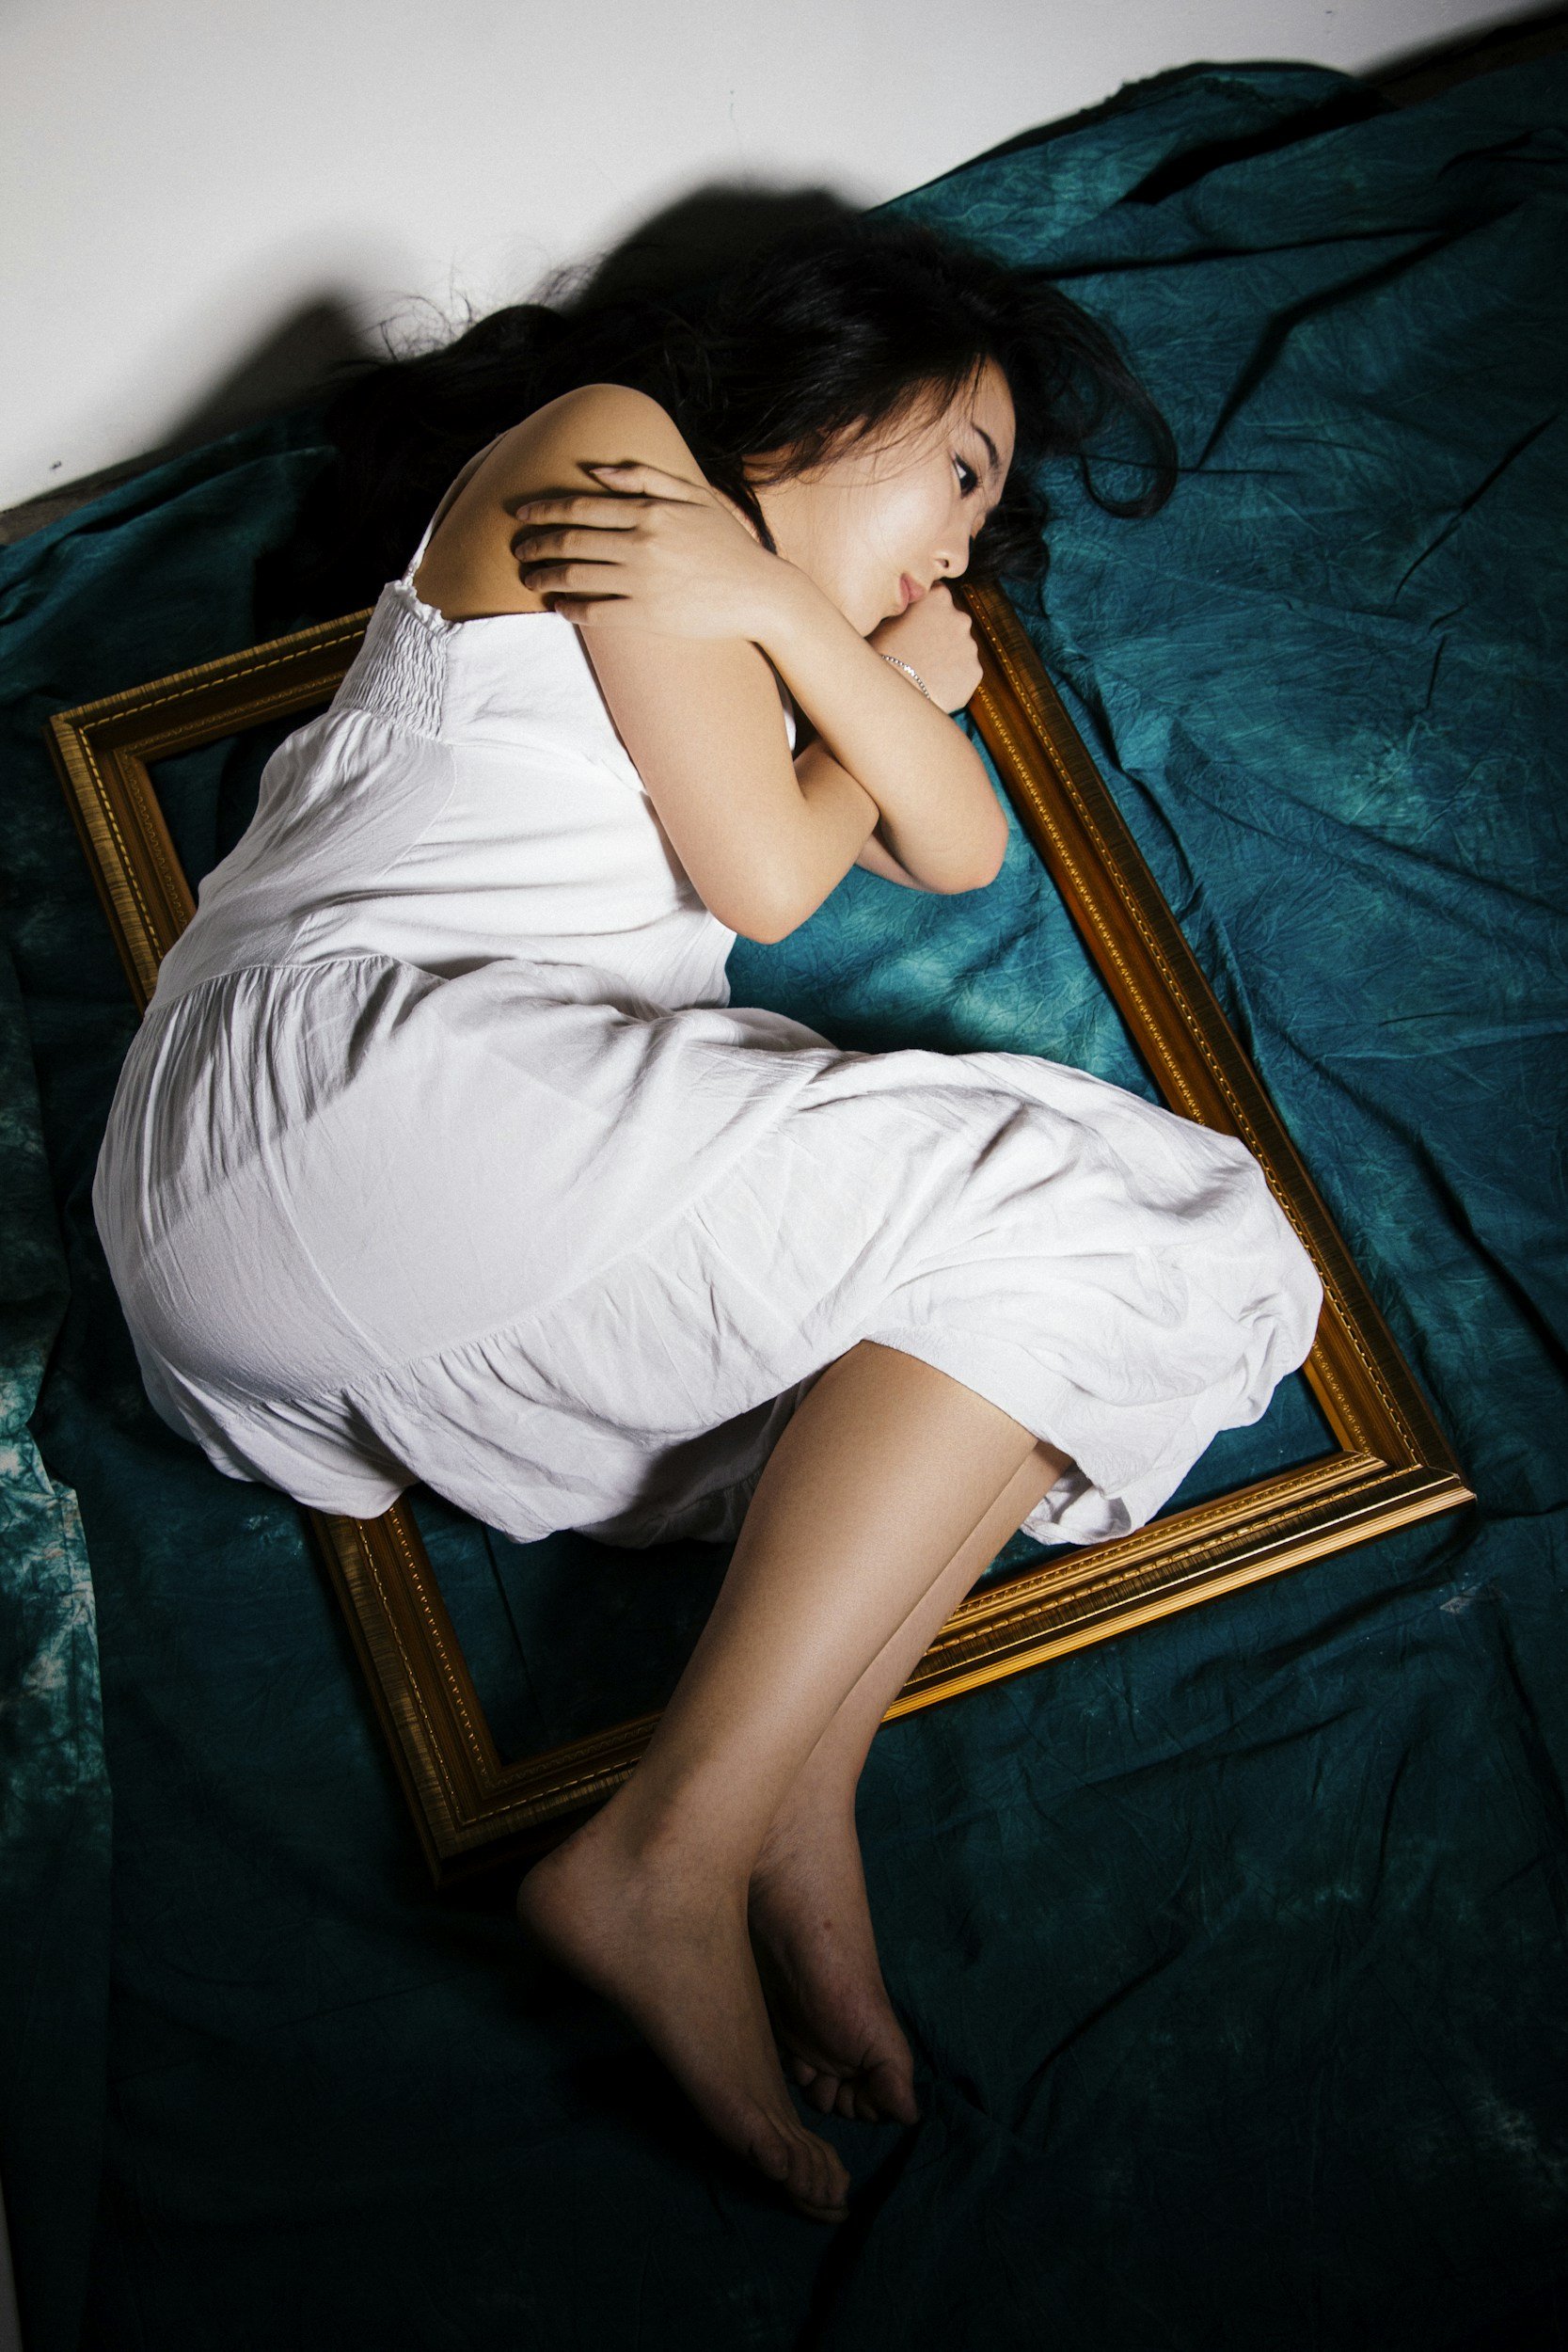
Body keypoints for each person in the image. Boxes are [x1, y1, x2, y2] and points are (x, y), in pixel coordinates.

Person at [93, 216, 1323, 2226]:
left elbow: (946, 832)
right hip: (354, 1105)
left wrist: (822, 655)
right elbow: (773, 882)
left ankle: (787, 1788)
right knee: (1140, 1194)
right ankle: (669, 1845)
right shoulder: (608, 452)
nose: (961, 549)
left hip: (359, 1250)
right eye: (965, 472)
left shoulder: (702, 625)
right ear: (838, 390)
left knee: (1040, 1323)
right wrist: (831, 653)